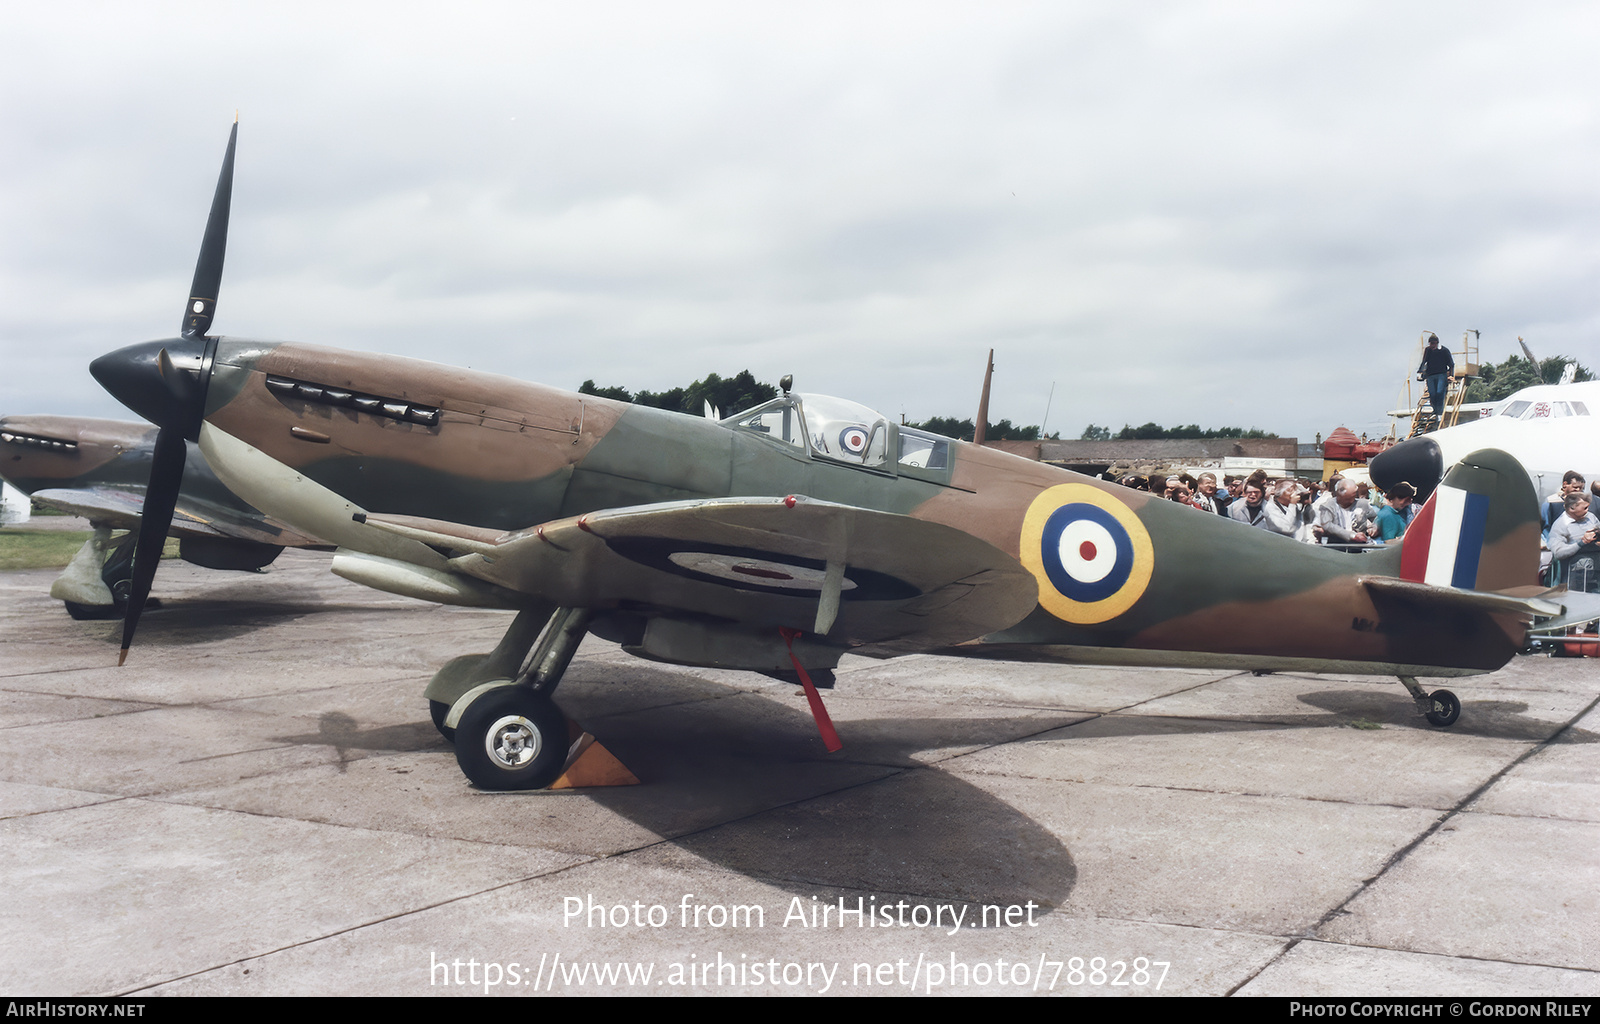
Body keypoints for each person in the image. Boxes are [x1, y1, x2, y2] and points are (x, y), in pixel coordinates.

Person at [1548, 492, 1600, 591]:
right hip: (1576, 575)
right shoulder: (1560, 526)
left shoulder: (1590, 517)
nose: (1587, 510)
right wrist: (1582, 542)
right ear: (1572, 508)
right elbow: (1558, 553)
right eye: (1584, 508)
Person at [1317, 478, 1373, 548]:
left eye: (1353, 497)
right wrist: (1351, 535)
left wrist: (1373, 528)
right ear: (1338, 494)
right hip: (1336, 547)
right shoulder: (1328, 505)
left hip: (1358, 547)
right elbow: (1327, 525)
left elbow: (1375, 518)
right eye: (1347, 499)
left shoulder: (1363, 504)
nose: (1350, 501)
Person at [1416, 333, 1455, 424]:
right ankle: (1435, 410)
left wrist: (1451, 375)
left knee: (1440, 392)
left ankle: (1440, 411)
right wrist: (1420, 372)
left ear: (1437, 343)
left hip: (1441, 374)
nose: (1432, 346)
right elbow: (1424, 361)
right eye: (1430, 344)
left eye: (1433, 344)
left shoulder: (1444, 350)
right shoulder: (1428, 350)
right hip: (1430, 375)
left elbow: (1451, 364)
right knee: (1432, 393)